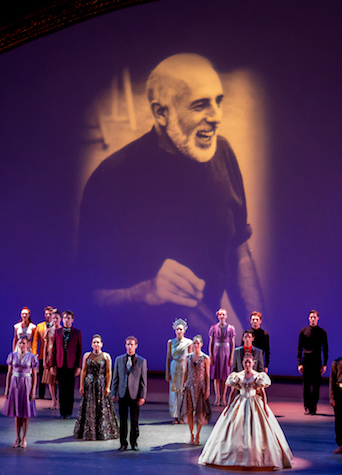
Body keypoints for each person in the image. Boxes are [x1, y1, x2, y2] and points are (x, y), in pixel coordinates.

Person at [76, 53, 263, 353]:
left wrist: (259, 337)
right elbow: (87, 298)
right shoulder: (110, 178)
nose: (216, 116)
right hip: (139, 360)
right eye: (200, 105)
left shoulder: (224, 154)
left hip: (203, 355)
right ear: (161, 113)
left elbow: (239, 252)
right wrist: (146, 291)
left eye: (218, 101)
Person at [198, 352, 292, 469]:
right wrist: (228, 406)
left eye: (249, 362)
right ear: (243, 363)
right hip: (241, 401)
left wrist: (264, 407)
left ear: (253, 363)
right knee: (234, 427)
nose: (247, 364)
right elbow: (233, 392)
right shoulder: (237, 376)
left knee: (258, 428)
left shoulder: (258, 376)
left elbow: (262, 393)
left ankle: (258, 456)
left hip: (254, 402)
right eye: (245, 362)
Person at [73, 334, 119, 441]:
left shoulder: (106, 356)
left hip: (100, 384)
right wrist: (81, 385)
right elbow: (84, 370)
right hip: (89, 384)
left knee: (101, 407)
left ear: (101, 344)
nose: (96, 344)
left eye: (98, 342)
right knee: (89, 407)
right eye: (94, 342)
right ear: (91, 344)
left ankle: (102, 431)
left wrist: (108, 387)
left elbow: (108, 372)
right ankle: (89, 432)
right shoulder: (87, 355)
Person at [112, 336, 148, 451]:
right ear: (125, 345)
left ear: (136, 346)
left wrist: (142, 396)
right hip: (122, 394)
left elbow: (143, 381)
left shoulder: (141, 361)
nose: (129, 347)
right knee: (122, 420)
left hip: (135, 395)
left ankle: (134, 443)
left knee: (134, 420)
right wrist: (114, 392)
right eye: (128, 344)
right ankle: (123, 443)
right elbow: (115, 378)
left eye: (132, 344)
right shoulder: (119, 360)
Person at [3, 337, 38, 448]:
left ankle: (24, 438)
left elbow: (35, 375)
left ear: (27, 344)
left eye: (23, 343)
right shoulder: (12, 356)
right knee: (17, 413)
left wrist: (33, 390)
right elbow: (9, 373)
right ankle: (17, 437)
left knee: (25, 413)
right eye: (20, 343)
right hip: (15, 384)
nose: (21, 345)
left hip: (26, 384)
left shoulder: (32, 357)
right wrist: (7, 388)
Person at [297, 310, 329, 415]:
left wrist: (325, 364)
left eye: (314, 317)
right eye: (311, 317)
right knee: (306, 386)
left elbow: (325, 348)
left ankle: (313, 407)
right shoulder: (303, 331)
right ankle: (307, 407)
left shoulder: (322, 332)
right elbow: (299, 348)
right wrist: (299, 363)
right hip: (306, 361)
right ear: (308, 318)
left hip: (317, 362)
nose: (313, 319)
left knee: (316, 386)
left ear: (318, 318)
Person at [52, 310, 82, 419]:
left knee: (70, 390)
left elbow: (79, 351)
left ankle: (68, 412)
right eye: (64, 318)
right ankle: (62, 412)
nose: (66, 320)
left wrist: (78, 366)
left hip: (71, 365)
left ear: (72, 320)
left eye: (68, 318)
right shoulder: (57, 332)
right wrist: (52, 365)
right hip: (60, 364)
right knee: (61, 389)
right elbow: (54, 349)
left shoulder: (76, 333)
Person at [182, 335, 211, 445]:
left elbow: (207, 375)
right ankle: (191, 434)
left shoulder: (205, 358)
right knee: (189, 411)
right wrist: (183, 386)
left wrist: (208, 389)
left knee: (200, 412)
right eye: (194, 343)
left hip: (200, 388)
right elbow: (185, 372)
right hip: (189, 387)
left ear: (201, 344)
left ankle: (198, 435)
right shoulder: (188, 357)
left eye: (198, 343)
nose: (196, 345)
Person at [208, 308, 235, 406]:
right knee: (216, 376)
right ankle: (217, 397)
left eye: (223, 314)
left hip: (226, 352)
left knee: (225, 376)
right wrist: (211, 356)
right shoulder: (214, 328)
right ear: (218, 316)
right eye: (220, 314)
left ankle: (223, 397)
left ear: (226, 316)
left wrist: (231, 357)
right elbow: (211, 343)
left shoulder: (231, 328)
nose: (222, 316)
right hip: (216, 351)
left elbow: (232, 343)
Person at [166, 318, 192, 423]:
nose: (179, 331)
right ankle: (175, 416)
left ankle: (183, 416)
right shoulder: (171, 342)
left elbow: (190, 358)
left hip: (184, 367)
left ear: (184, 330)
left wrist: (189, 372)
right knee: (174, 392)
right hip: (174, 367)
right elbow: (168, 357)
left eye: (181, 329)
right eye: (177, 329)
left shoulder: (189, 342)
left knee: (183, 391)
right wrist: (167, 372)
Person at [31, 306, 53, 399]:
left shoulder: (56, 326)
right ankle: (41, 394)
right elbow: (35, 341)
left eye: (50, 314)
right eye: (46, 314)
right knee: (41, 374)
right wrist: (34, 353)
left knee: (53, 375)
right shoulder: (39, 326)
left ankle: (53, 395)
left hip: (53, 354)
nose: (48, 316)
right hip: (41, 354)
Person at [41, 308, 60, 409]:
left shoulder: (63, 331)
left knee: (59, 380)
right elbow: (45, 346)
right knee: (50, 380)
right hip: (50, 357)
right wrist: (44, 359)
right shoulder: (49, 331)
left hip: (60, 357)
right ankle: (53, 400)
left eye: (57, 318)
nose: (55, 320)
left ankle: (59, 400)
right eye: (54, 318)